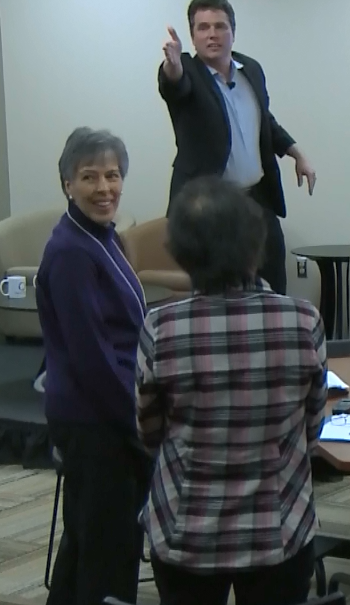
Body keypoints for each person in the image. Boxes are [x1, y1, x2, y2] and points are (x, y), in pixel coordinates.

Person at [136, 176, 328, 605]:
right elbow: (313, 426)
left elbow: (149, 431)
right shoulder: (302, 320)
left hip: (186, 533)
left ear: (183, 252)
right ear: (255, 243)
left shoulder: (161, 327)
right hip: (278, 532)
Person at [36, 127, 150, 605]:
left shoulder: (101, 237)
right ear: (67, 184)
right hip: (97, 419)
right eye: (89, 177)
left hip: (102, 410)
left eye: (112, 175)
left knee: (87, 541)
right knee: (109, 550)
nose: (105, 188)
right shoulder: (71, 253)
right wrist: (139, 425)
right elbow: (93, 358)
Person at [158, 0, 316, 296]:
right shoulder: (186, 70)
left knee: (273, 283)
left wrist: (296, 153)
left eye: (220, 26)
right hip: (209, 205)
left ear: (233, 31)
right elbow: (175, 87)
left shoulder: (251, 70)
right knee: (217, 291)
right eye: (203, 27)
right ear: (192, 35)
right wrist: (173, 65)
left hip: (257, 198)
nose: (212, 34)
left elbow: (264, 121)